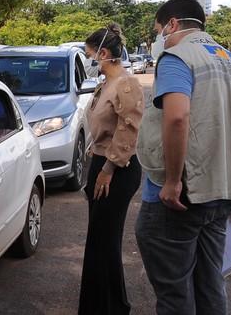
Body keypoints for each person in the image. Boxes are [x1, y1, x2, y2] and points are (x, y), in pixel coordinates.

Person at [134, 0, 231, 315]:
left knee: (175, 293)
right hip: (223, 195)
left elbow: (177, 117)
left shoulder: (177, 58)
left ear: (173, 24)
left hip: (180, 197)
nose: (160, 38)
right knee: (210, 285)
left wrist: (173, 181)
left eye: (159, 30)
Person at [78, 22, 145, 315]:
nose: (88, 59)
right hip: (103, 165)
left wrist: (107, 169)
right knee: (101, 240)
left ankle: (109, 307)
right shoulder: (107, 83)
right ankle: (110, 305)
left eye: (89, 53)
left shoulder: (126, 84)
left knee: (101, 241)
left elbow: (128, 131)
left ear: (104, 52)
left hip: (116, 169)